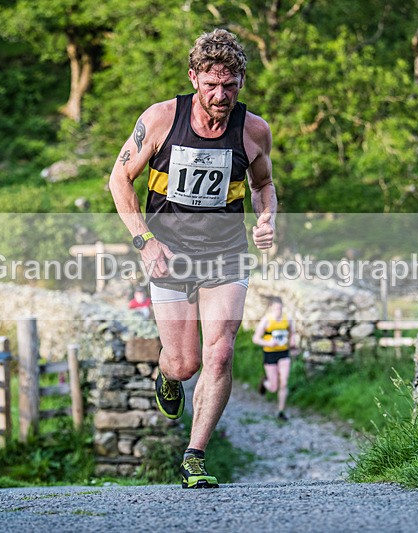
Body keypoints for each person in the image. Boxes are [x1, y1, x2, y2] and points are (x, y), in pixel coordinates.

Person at [109, 29, 277, 489]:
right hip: (170, 254)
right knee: (184, 364)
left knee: (219, 354)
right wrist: (144, 240)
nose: (220, 95)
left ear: (241, 80)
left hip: (226, 254)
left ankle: (195, 456)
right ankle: (167, 373)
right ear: (193, 78)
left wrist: (267, 220)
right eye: (211, 85)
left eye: (230, 85)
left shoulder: (253, 129)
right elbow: (118, 180)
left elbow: (263, 185)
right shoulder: (162, 118)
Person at [252, 296, 297, 421]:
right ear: (271, 308)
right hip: (270, 354)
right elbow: (255, 338)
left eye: (280, 308)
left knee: (284, 382)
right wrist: (268, 343)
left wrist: (293, 342)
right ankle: (265, 382)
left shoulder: (287, 319)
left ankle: (281, 411)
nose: (279, 311)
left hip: (283, 353)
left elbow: (292, 332)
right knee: (273, 387)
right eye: (276, 309)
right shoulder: (266, 320)